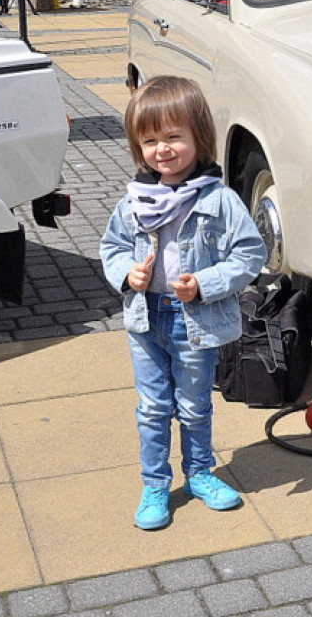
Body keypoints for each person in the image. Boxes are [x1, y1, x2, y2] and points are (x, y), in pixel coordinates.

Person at [100, 76, 266, 530]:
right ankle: (155, 484)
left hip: (195, 319)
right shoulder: (134, 202)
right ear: (138, 146)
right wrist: (126, 274)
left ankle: (199, 474)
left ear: (198, 137)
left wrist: (208, 282)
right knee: (153, 407)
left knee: (193, 405)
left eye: (174, 136)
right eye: (150, 140)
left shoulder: (222, 200)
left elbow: (251, 253)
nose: (163, 149)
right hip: (144, 317)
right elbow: (111, 248)